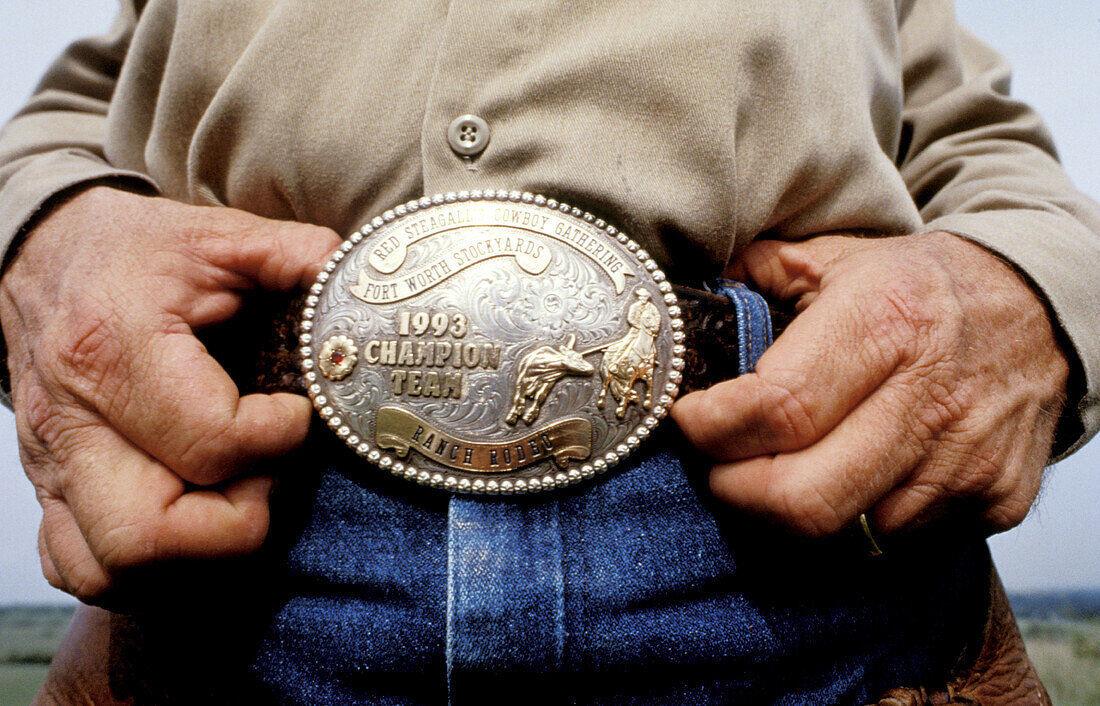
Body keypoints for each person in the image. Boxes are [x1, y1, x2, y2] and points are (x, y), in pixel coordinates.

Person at [1, 1, 1098, 703]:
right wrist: (43, 229)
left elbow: (982, 143)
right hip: (225, 565)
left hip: (805, 542)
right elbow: (73, 108)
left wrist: (1029, 290)